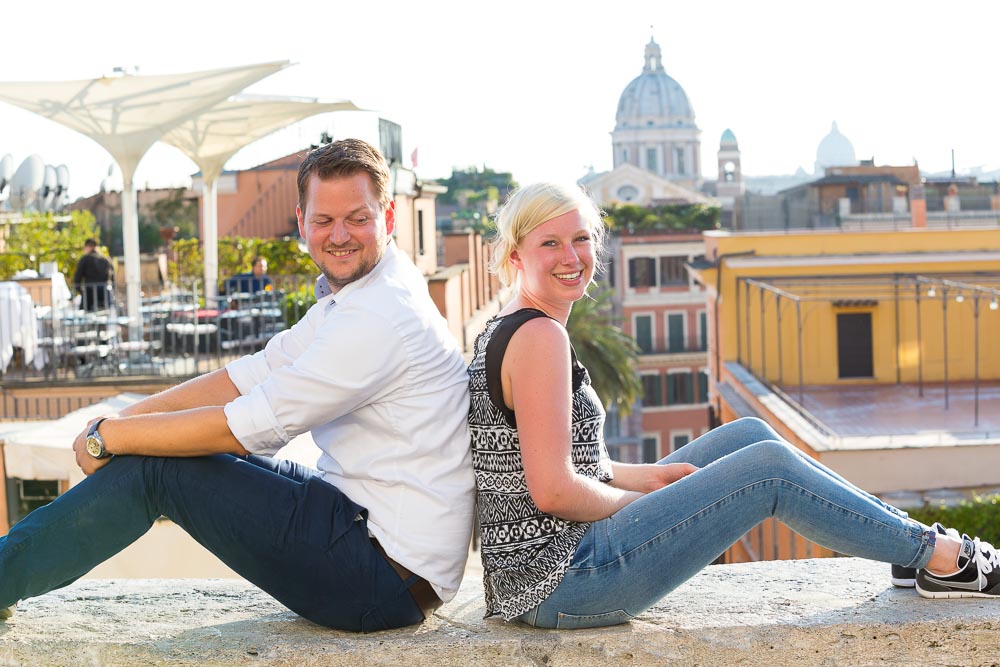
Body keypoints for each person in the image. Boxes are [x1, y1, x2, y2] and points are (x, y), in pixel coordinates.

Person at [467, 182, 1000, 629]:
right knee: (767, 471)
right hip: (563, 581)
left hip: (546, 572)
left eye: (581, 239)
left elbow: (540, 464)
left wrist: (645, 478)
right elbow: (553, 489)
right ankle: (940, 557)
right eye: (550, 244)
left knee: (749, 436)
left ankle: (915, 552)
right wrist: (644, 508)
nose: (571, 258)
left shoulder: (512, 324)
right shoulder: (539, 338)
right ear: (516, 255)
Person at [0, 139, 475, 632]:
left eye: (357, 218)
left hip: (381, 578)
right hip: (368, 533)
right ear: (301, 221)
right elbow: (249, 375)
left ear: (389, 216)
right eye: (323, 221)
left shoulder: (378, 315)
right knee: (177, 452)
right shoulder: (372, 289)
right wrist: (125, 421)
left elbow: (245, 427)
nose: (339, 236)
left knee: (157, 472)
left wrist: (108, 437)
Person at [72, 238, 114, 311]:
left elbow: (77, 277)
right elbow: (112, 277)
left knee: (87, 315)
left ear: (87, 247)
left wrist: (80, 291)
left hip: (89, 293)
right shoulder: (106, 259)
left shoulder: (85, 259)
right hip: (104, 292)